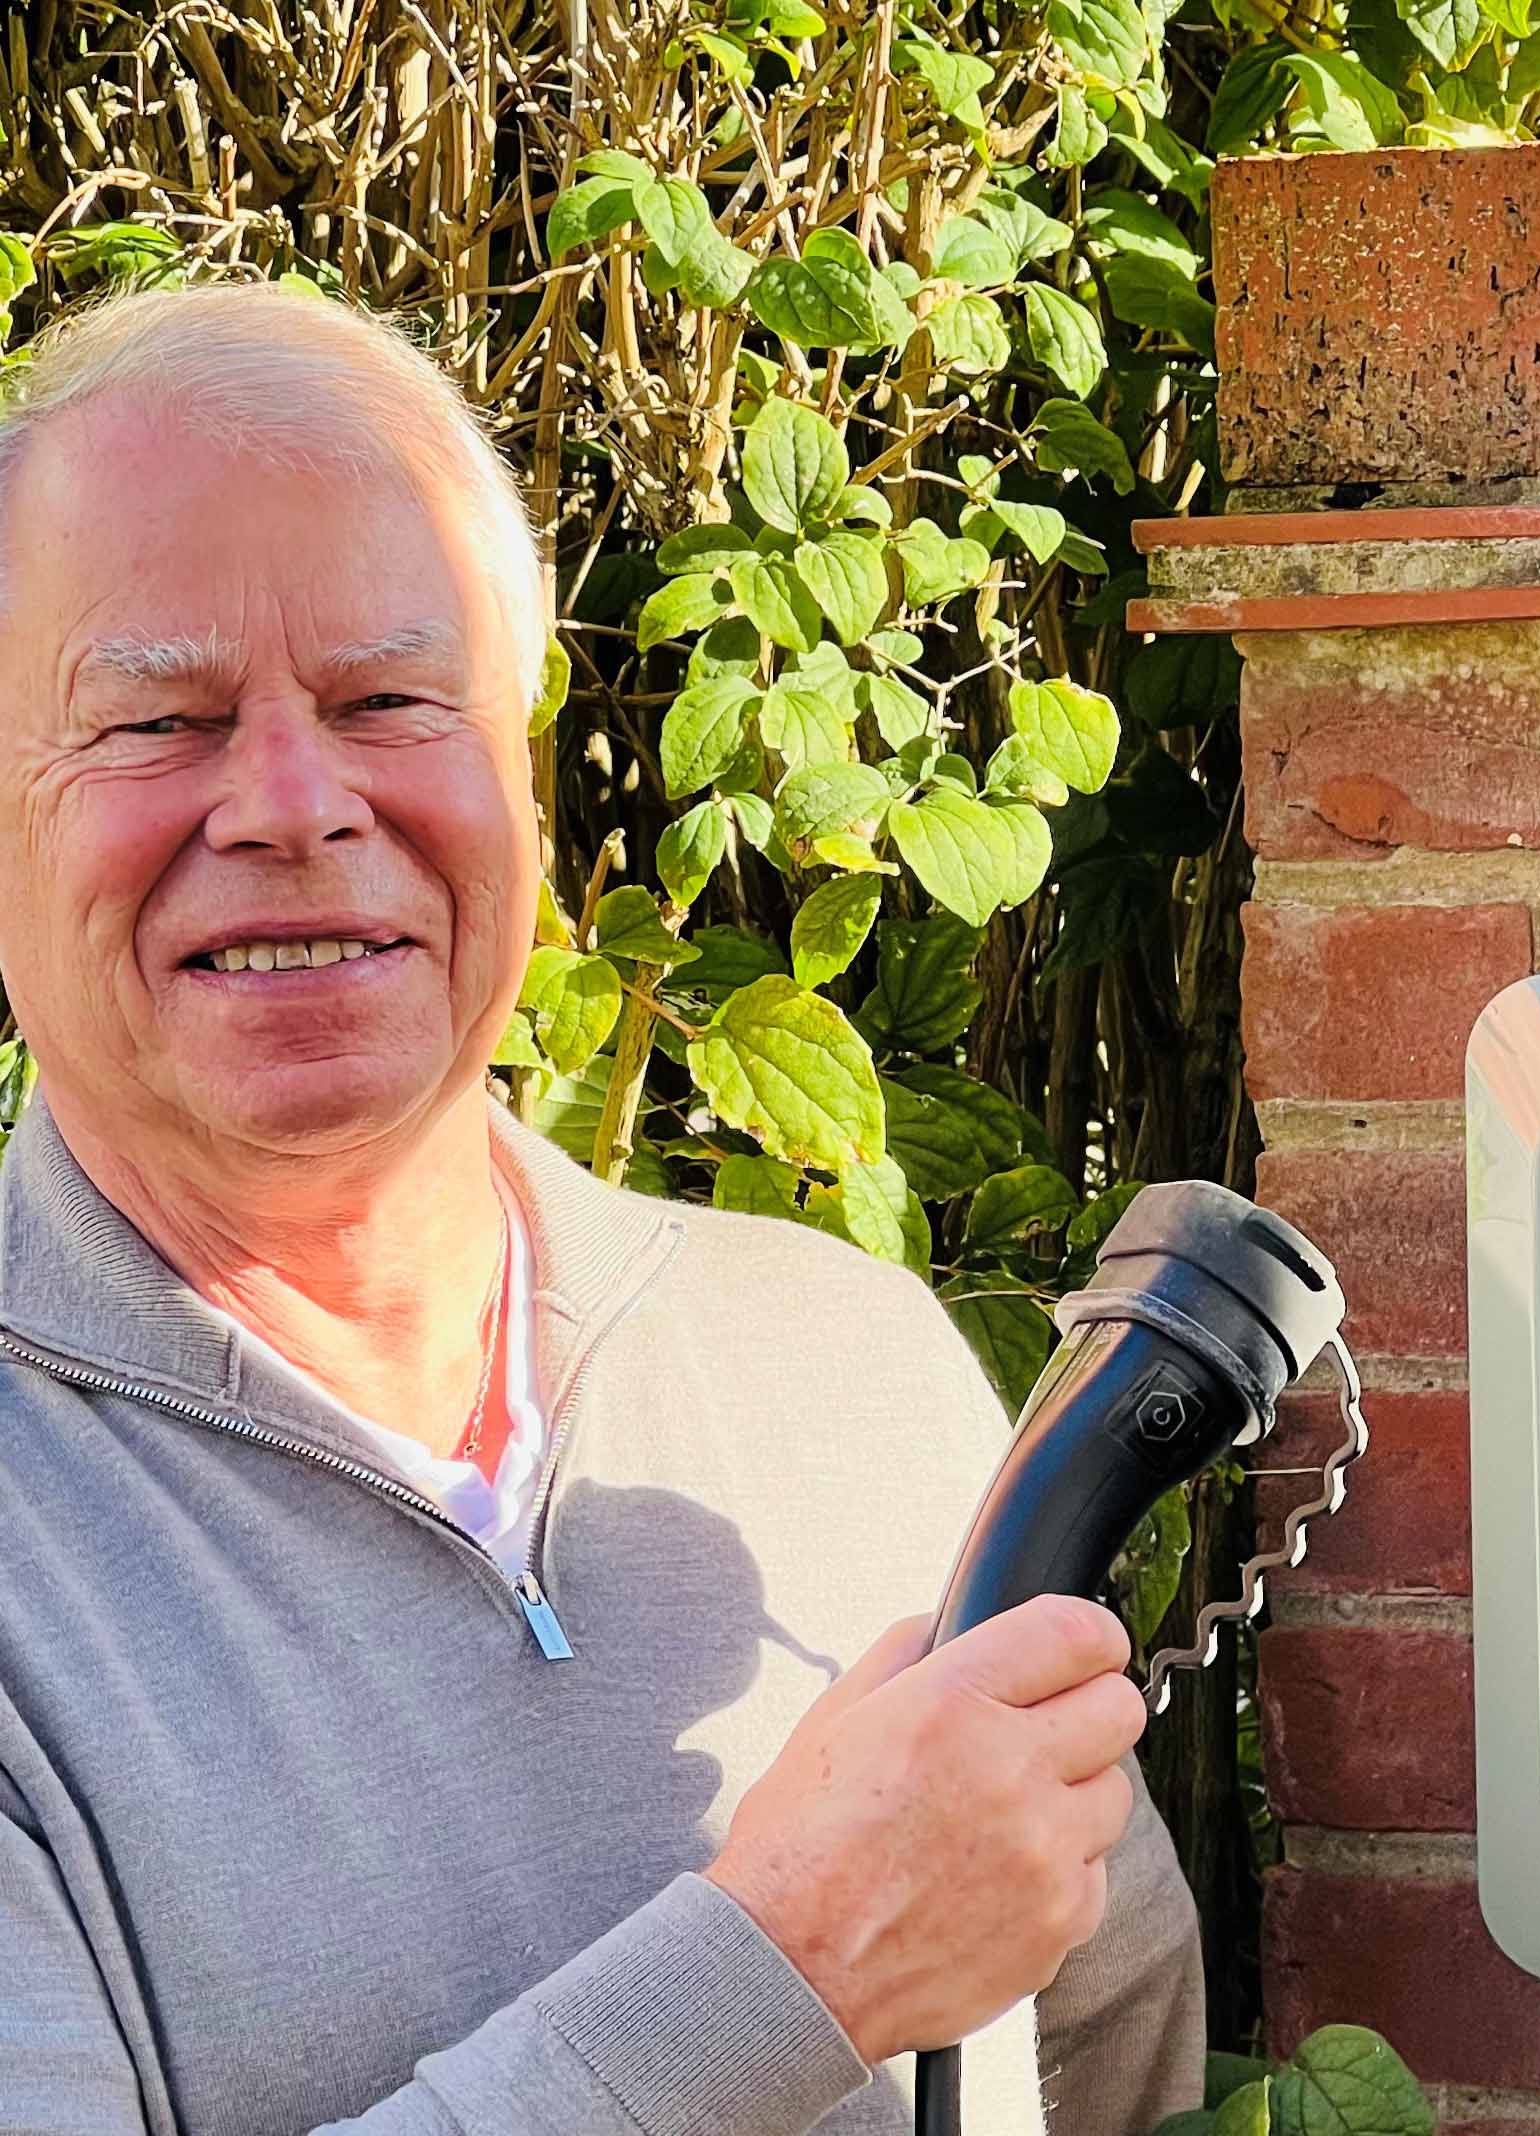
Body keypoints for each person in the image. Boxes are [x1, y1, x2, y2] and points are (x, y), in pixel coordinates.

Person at [0, 280, 1205, 2135]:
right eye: (159, 720)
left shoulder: (853, 1361)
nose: (297, 804)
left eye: (390, 698)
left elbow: (1117, 2050)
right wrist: (790, 1973)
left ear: (527, 781)